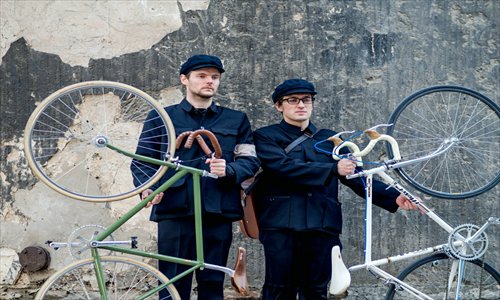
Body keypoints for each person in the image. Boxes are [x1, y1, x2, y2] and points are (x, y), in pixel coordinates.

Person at [253, 79, 416, 300]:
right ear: (279, 106)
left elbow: (355, 177)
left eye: (306, 100)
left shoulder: (331, 138)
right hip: (282, 225)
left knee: (317, 290)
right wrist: (332, 168)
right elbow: (281, 167)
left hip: (322, 225)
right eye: (292, 100)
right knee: (279, 289)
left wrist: (393, 196)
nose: (301, 105)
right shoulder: (265, 136)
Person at [131, 54, 260, 299]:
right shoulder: (161, 116)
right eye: (201, 76)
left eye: (214, 77)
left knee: (212, 284)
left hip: (217, 210)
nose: (209, 81)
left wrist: (229, 170)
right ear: (184, 79)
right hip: (174, 208)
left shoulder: (236, 119)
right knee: (172, 284)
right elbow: (142, 160)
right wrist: (147, 188)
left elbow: (250, 161)